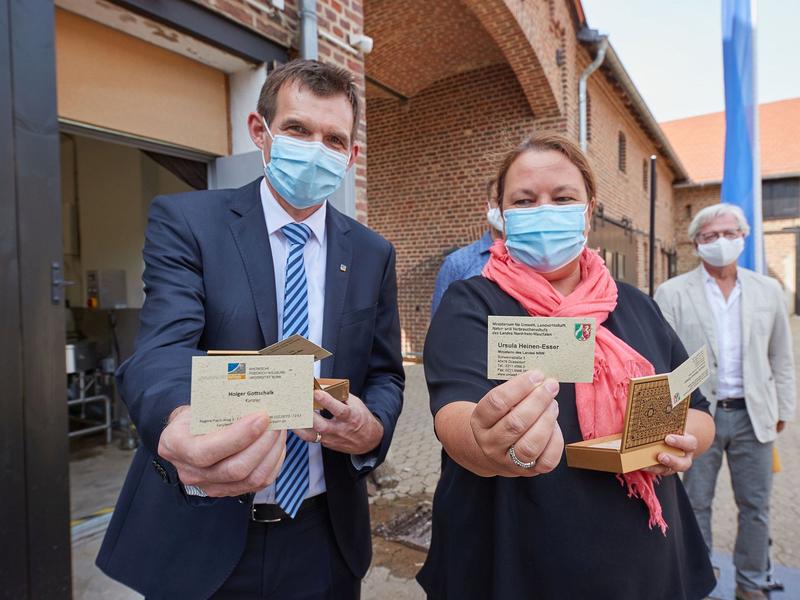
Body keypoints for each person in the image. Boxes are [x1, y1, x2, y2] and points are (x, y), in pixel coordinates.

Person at [96, 60, 405, 599]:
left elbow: (384, 374)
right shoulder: (189, 222)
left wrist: (372, 428)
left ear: (351, 156)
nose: (316, 148)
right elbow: (160, 351)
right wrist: (179, 419)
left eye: (334, 138)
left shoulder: (373, 253)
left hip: (325, 534)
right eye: (297, 129)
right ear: (260, 132)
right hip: (201, 531)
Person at [418, 133, 717, 600]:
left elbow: (696, 409)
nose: (543, 210)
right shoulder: (472, 303)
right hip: (517, 559)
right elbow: (454, 412)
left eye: (562, 198)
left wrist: (684, 442)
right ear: (500, 212)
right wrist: (485, 442)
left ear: (588, 209)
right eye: (524, 199)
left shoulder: (636, 306)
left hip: (642, 559)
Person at [655, 203, 795, 600]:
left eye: (729, 233)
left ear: (744, 237)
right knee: (696, 504)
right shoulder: (672, 292)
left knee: (756, 506)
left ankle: (752, 584)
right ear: (696, 243)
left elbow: (781, 356)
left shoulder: (768, 290)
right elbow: (662, 358)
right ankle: (702, 581)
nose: (720, 242)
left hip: (753, 414)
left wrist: (784, 408)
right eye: (710, 236)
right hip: (699, 417)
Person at [430, 179, 503, 315]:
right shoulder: (457, 264)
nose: (503, 208)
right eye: (497, 201)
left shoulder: (538, 262)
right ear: (487, 207)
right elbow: (439, 325)